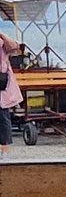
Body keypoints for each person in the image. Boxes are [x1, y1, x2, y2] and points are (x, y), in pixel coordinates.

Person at [0, 28, 22, 158]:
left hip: (1, 83)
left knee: (3, 117)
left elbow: (14, 47)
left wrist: (2, 34)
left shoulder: (2, 41)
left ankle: (5, 149)